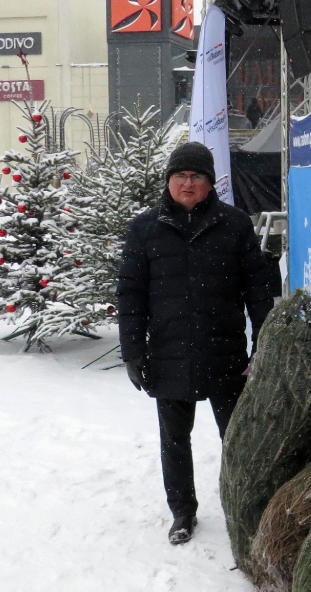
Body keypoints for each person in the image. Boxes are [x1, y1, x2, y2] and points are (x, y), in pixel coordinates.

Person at [117, 141, 274, 545]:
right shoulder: (145, 228)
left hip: (224, 352)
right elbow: (131, 294)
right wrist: (133, 351)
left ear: (210, 182)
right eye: (180, 176)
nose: (187, 183)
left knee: (237, 438)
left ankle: (242, 508)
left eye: (196, 176)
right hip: (168, 353)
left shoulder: (235, 225)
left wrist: (264, 340)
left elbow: (258, 289)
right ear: (168, 181)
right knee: (174, 439)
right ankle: (182, 511)